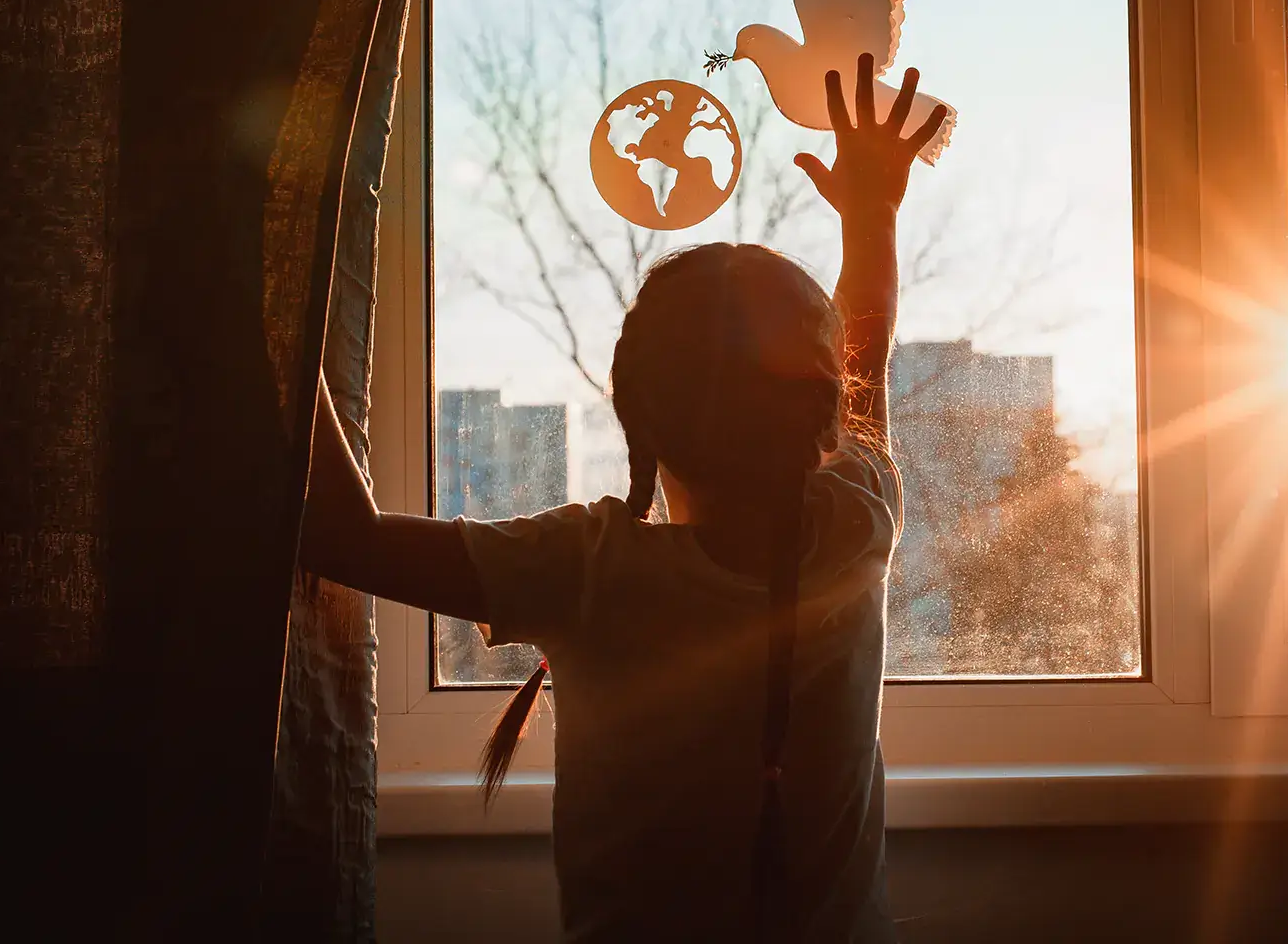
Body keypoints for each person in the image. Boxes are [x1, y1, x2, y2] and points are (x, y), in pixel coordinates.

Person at [301, 55, 948, 942]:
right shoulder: (853, 525)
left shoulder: (585, 570)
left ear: (637, 411)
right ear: (820, 413)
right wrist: (873, 213)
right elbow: (863, 363)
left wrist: (281, 279)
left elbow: (341, 537)